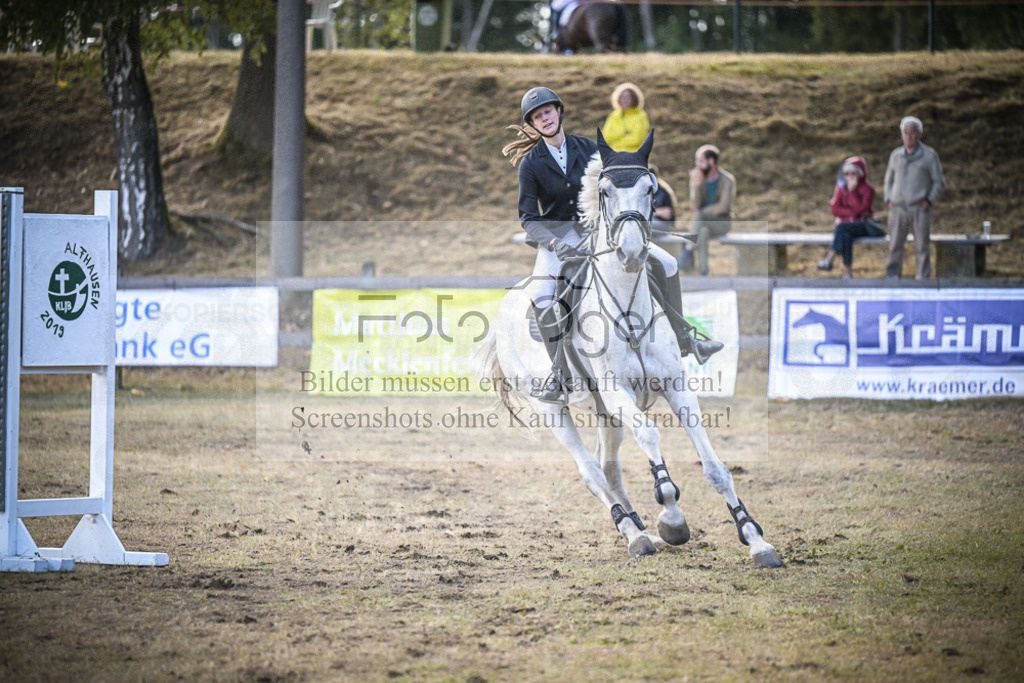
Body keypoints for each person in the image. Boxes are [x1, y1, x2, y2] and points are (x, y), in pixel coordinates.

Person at [502, 86, 722, 404]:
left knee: (670, 263)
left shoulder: (588, 147)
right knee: (540, 296)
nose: (545, 118)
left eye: (548, 111)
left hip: (598, 231)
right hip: (557, 238)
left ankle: (686, 337)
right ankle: (559, 371)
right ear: (533, 124)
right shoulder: (531, 165)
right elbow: (527, 217)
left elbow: (614, 184)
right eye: (537, 116)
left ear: (559, 112)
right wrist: (552, 243)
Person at [883, 116, 946, 279]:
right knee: (895, 245)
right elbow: (888, 180)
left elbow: (938, 182)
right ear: (901, 134)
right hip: (898, 208)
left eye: (913, 133)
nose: (909, 136)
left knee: (921, 246)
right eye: (906, 133)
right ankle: (893, 278)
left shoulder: (930, 156)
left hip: (919, 207)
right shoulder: (895, 155)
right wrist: (888, 198)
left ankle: (922, 279)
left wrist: (930, 200)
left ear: (920, 134)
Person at [817, 156, 880, 279]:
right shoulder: (841, 188)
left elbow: (863, 209)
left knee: (842, 228)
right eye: (847, 173)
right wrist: (852, 213)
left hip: (865, 226)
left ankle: (830, 258)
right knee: (845, 234)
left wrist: (852, 192)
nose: (849, 176)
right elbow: (835, 209)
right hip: (847, 226)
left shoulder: (868, 189)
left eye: (853, 173)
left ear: (860, 173)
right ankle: (848, 272)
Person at [682, 144, 735, 276]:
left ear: (711, 161)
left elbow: (724, 207)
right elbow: (694, 207)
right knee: (703, 231)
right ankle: (703, 272)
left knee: (699, 217)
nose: (697, 165)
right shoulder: (697, 179)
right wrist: (697, 186)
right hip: (702, 224)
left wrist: (704, 211)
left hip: (722, 223)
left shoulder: (727, 180)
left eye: (700, 161)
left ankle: (688, 250)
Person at [600, 83, 650, 154]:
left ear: (634, 98)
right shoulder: (614, 115)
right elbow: (605, 137)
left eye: (628, 97)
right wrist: (624, 132)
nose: (624, 100)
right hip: (614, 155)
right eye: (622, 97)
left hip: (634, 155)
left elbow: (637, 140)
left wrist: (616, 141)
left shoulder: (640, 115)